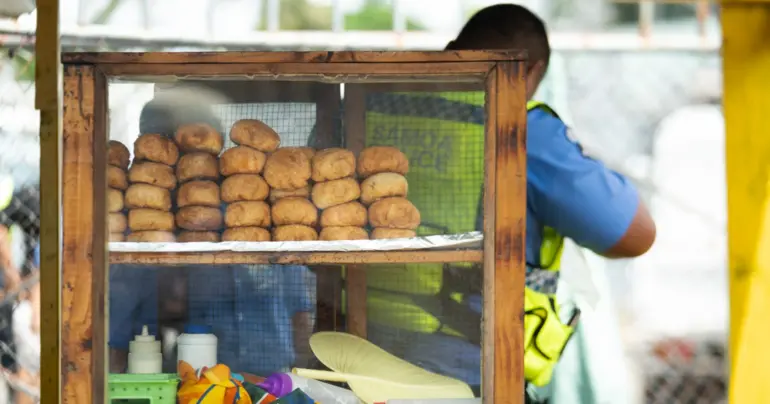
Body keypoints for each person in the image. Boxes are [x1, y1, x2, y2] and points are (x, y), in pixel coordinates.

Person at [362, 3, 656, 401]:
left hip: (352, 349)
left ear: (451, 50)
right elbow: (633, 234)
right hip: (468, 368)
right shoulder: (521, 126)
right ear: (533, 72)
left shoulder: (367, 110)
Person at [109, 96, 316, 376]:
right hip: (199, 376)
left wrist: (302, 371)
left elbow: (298, 302)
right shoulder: (150, 225)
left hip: (272, 377)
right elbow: (128, 310)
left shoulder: (255, 209)